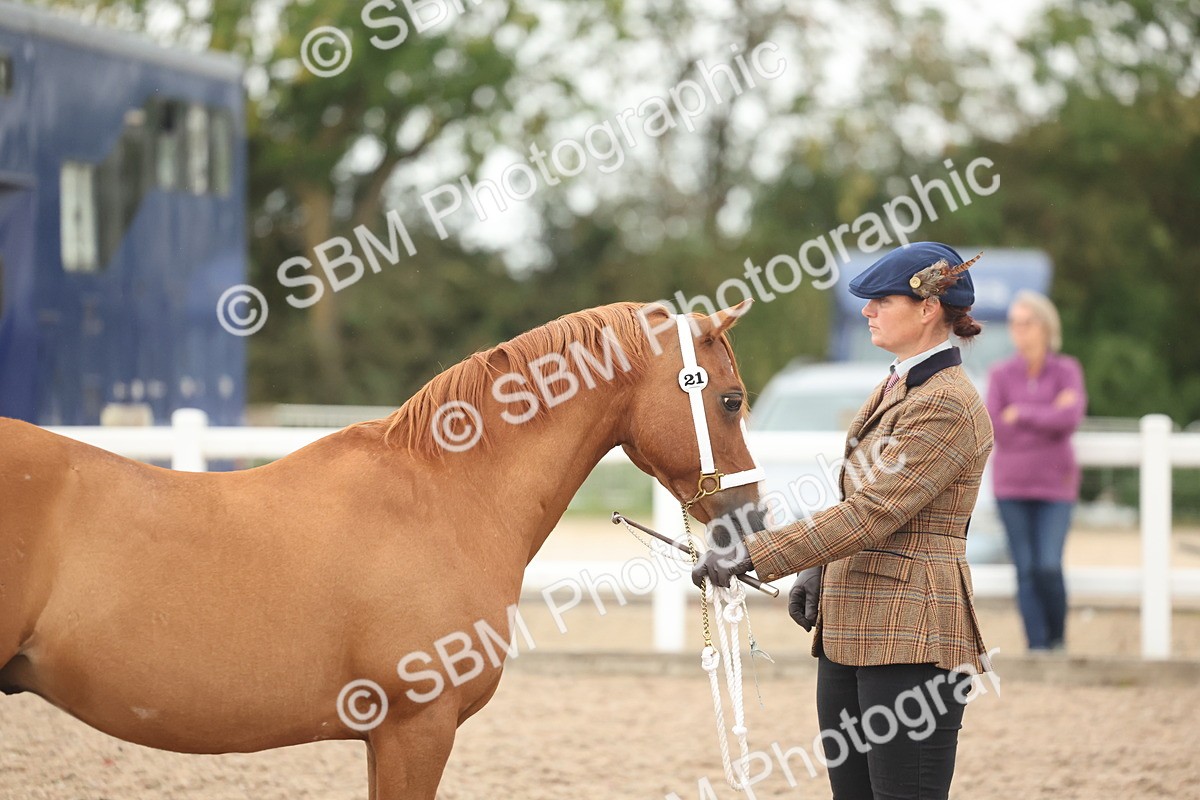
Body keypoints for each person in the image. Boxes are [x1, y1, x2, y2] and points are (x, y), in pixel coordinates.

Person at [693, 242, 994, 800]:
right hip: (851, 629)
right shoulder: (900, 385)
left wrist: (755, 551)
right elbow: (867, 503)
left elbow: (875, 511)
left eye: (881, 299)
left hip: (913, 633)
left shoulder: (947, 403)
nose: (867, 310)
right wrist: (824, 570)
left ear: (928, 308)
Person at [986, 290, 1086, 653]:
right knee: (1025, 568)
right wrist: (1046, 414)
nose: (1019, 330)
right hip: (1011, 486)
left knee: (1047, 565)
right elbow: (997, 426)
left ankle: (1057, 639)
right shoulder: (1000, 374)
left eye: (1026, 322)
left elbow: (1070, 418)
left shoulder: (1067, 370)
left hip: (1056, 486)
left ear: (1045, 326)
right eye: (1014, 323)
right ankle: (1037, 647)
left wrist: (1023, 413)